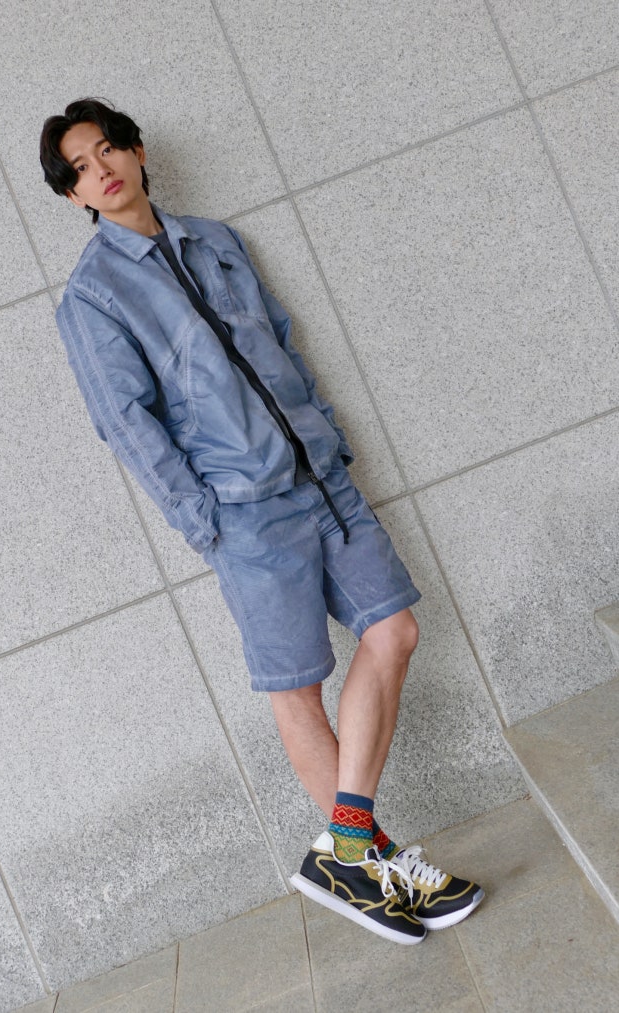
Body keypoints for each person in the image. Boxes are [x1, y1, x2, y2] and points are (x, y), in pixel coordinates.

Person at [40, 98, 484, 945]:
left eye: (109, 150)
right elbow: (126, 424)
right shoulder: (93, 297)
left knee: (392, 630)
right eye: (82, 170)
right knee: (295, 684)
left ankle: (345, 850)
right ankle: (371, 866)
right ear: (74, 197)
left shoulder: (216, 242)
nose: (103, 171)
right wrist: (205, 520)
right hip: (243, 511)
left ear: (136, 151)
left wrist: (327, 435)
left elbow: (280, 343)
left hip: (322, 479)